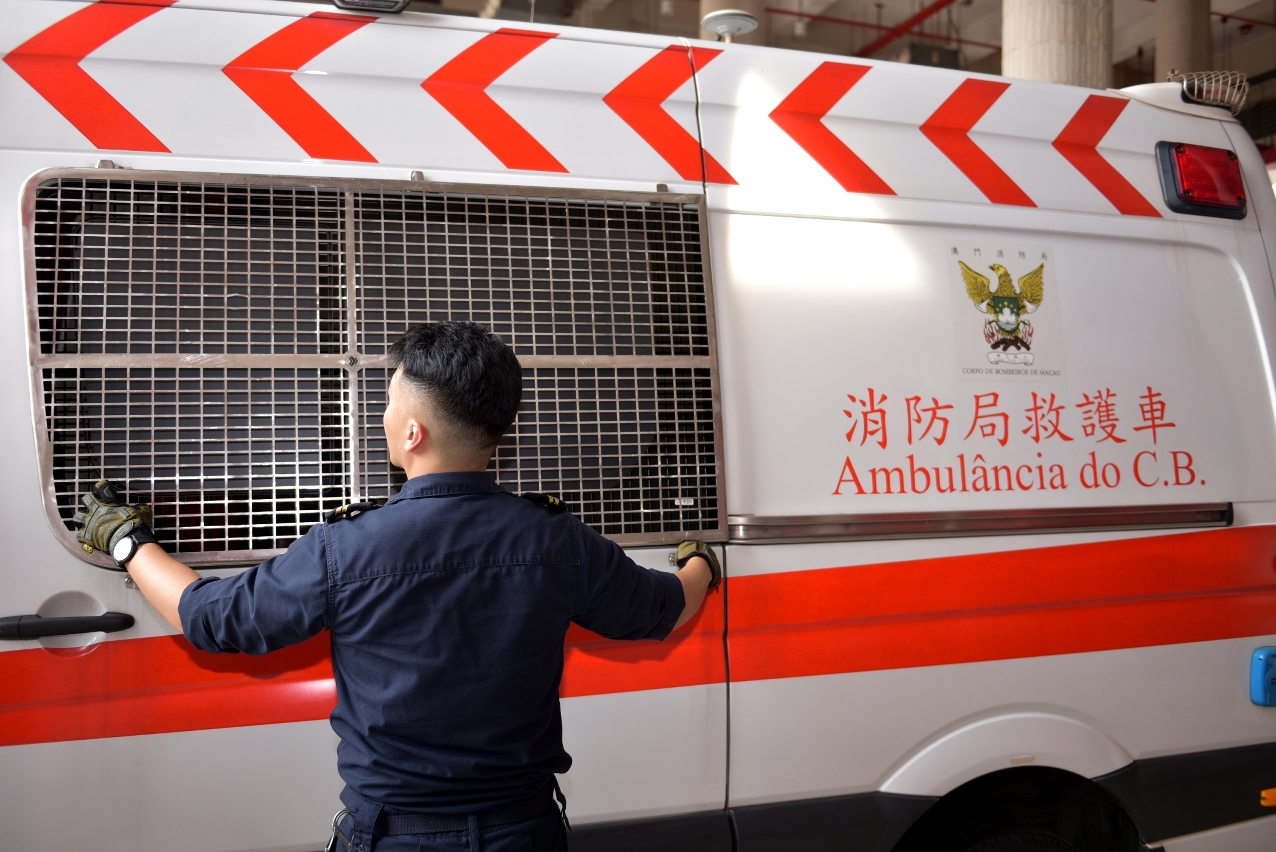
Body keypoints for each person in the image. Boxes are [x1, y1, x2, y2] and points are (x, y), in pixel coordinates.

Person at [72, 321, 720, 852]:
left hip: (396, 837)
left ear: (413, 433)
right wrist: (702, 563)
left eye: (388, 402)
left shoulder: (346, 549)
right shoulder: (558, 542)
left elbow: (211, 618)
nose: (382, 415)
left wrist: (127, 541)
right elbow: (665, 608)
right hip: (525, 832)